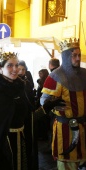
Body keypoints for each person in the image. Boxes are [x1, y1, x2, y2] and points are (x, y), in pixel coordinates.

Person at [0, 52, 66, 170]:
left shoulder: (21, 89)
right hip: (2, 149)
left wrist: (48, 106)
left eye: (16, 65)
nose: (15, 69)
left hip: (22, 143)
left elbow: (29, 118)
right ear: (0, 68)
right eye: (10, 65)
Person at [40, 38, 86, 170]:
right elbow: (44, 100)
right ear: (66, 56)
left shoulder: (84, 75)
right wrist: (52, 104)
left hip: (83, 126)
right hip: (65, 128)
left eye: (79, 55)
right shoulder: (56, 76)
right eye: (74, 55)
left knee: (82, 161)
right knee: (67, 162)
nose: (77, 58)